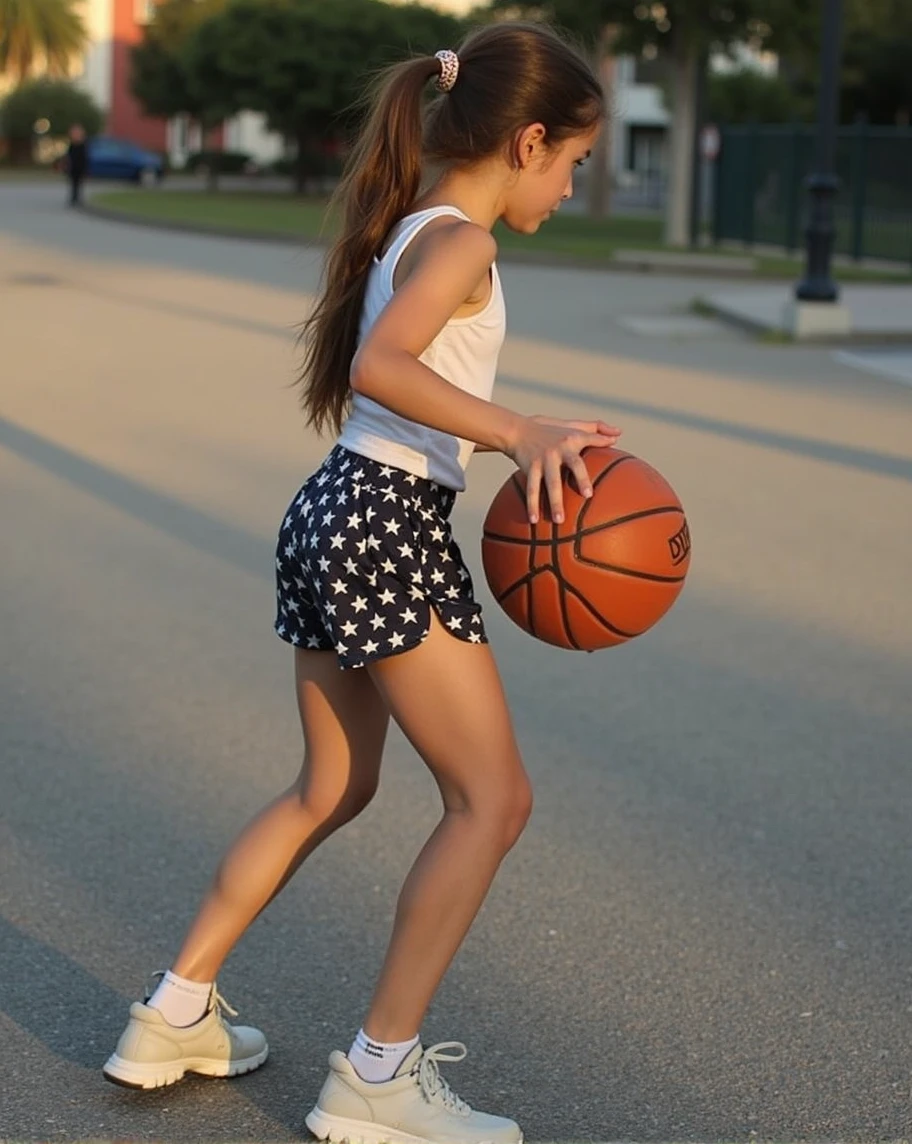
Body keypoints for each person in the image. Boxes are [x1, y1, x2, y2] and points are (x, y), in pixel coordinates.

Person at [103, 20, 621, 1144]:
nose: (574, 187)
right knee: (494, 802)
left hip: (337, 509)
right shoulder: (465, 244)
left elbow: (396, 375)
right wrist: (516, 428)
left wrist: (515, 432)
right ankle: (377, 1078)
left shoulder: (418, 223)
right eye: (576, 161)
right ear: (529, 140)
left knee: (328, 789)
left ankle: (172, 1011)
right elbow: (378, 367)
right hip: (385, 523)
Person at [66, 124, 88, 207]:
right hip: (73, 167)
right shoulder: (72, 145)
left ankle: (78, 199)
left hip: (80, 167)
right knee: (73, 183)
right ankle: (73, 198)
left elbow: (84, 158)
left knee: (79, 184)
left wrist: (85, 169)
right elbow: (69, 156)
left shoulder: (83, 145)